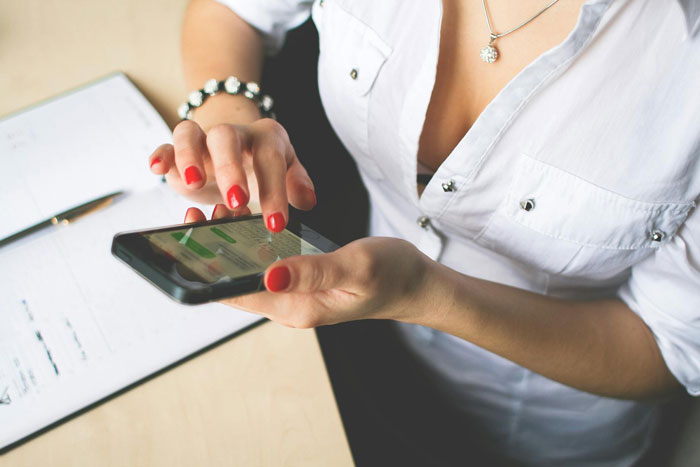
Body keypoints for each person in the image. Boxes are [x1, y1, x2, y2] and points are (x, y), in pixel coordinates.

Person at [147, 0, 700, 465]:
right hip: (351, 361)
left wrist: (423, 295)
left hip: (541, 437)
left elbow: (667, 350)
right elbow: (232, 11)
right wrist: (229, 120)